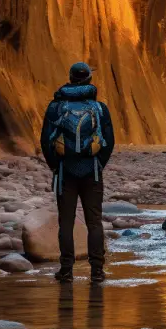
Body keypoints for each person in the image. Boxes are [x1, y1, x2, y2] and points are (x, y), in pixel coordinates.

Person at [40, 62, 115, 283]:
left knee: (66, 222)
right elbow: (109, 142)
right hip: (91, 172)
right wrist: (99, 164)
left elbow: (46, 140)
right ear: (89, 80)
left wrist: (55, 165)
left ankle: (66, 270)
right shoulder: (100, 108)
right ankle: (97, 271)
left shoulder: (56, 107)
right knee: (94, 222)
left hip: (66, 172)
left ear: (70, 78)